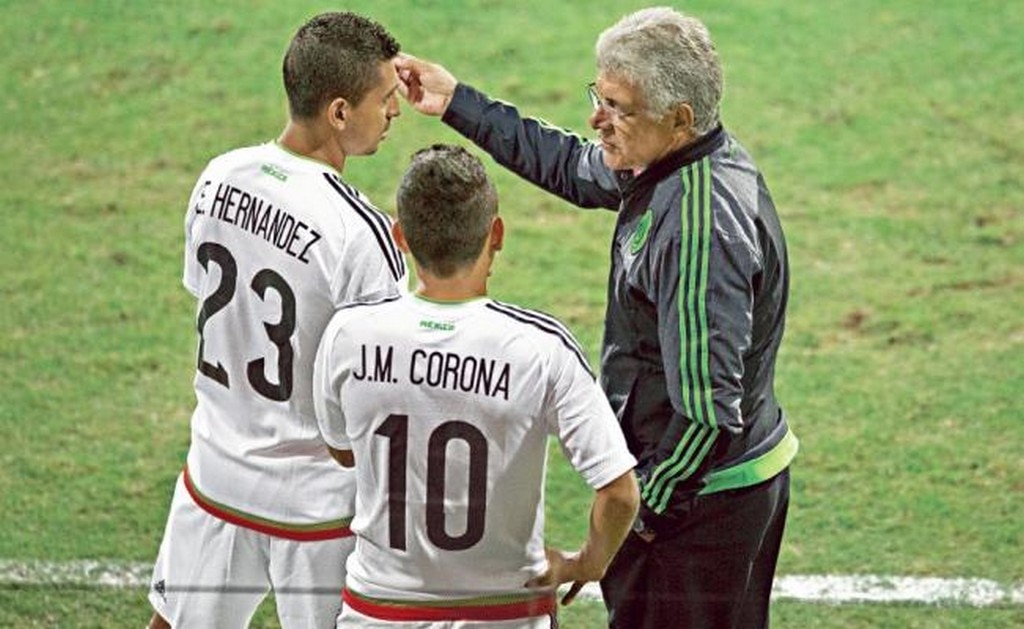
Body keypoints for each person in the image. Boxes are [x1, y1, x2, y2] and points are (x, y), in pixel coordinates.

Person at [395, 7, 797, 628]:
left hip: (697, 510)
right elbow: (569, 164)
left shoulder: (697, 231)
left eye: (617, 107)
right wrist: (457, 103)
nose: (596, 119)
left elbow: (706, 419)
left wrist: (628, 530)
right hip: (716, 490)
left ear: (680, 118)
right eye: (598, 96)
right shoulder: (672, 161)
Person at [147, 12, 408, 629]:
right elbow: (383, 392)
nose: (395, 112)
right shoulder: (359, 231)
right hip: (315, 508)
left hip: (213, 476)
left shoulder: (218, 176)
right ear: (340, 112)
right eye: (386, 99)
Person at [312, 144, 640, 628]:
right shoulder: (540, 348)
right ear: (497, 234)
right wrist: (587, 561)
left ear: (400, 237)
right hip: (504, 614)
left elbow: (343, 451)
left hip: (379, 613)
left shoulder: (348, 334)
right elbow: (619, 493)